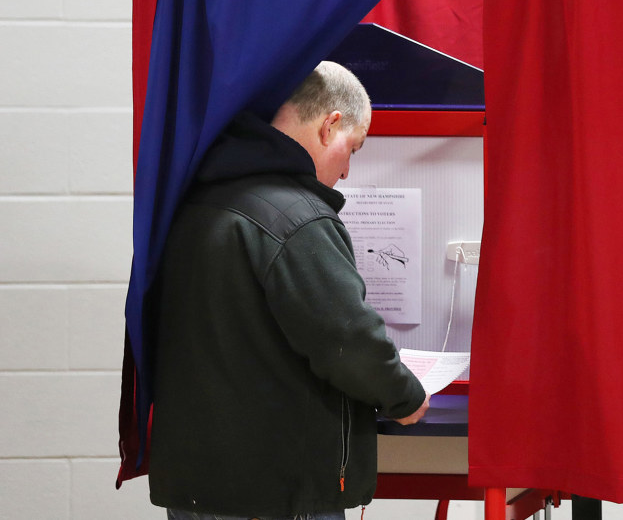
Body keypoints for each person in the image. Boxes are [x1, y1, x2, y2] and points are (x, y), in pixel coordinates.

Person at [148, 61, 430, 520]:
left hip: (195, 485)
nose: (345, 172)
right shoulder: (298, 218)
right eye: (352, 150)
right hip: (276, 489)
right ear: (329, 124)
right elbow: (347, 342)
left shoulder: (199, 198)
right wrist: (407, 397)